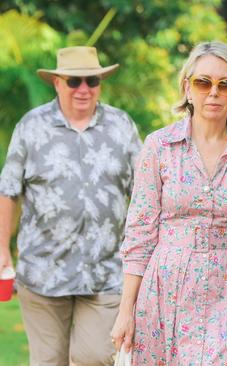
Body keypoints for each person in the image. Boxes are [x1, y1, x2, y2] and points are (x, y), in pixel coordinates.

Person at [110, 41, 227, 365]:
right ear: (187, 88)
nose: (213, 92)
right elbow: (139, 233)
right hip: (166, 288)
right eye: (203, 82)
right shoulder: (159, 146)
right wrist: (126, 311)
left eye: (226, 84)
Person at [0, 46, 142, 365]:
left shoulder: (121, 126)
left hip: (106, 270)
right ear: (57, 83)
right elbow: (7, 189)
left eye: (91, 81)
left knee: (95, 356)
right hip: (43, 271)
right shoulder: (31, 126)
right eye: (74, 81)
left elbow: (145, 193)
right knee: (49, 360)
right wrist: (2, 251)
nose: (83, 89)